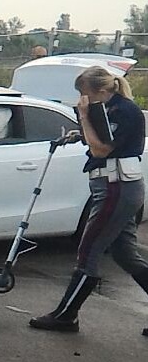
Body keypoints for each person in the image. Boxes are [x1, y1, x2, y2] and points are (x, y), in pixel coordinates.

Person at [30, 66, 148, 333]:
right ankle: (65, 315)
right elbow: (96, 140)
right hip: (112, 186)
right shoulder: (107, 109)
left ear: (102, 91)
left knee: (89, 250)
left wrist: (84, 117)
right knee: (126, 254)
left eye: (86, 95)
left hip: (117, 187)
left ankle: (66, 315)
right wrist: (80, 129)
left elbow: (101, 147)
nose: (82, 101)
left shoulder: (124, 111)